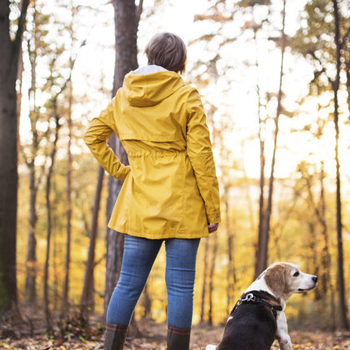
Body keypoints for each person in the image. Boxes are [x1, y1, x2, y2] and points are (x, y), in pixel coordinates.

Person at [84, 32, 221, 350]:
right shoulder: (187, 95)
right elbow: (202, 157)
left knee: (128, 283)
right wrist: (212, 210)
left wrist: (122, 171)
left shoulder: (124, 96)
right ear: (181, 62)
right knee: (180, 287)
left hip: (141, 203)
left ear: (149, 56)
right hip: (183, 206)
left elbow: (93, 136)